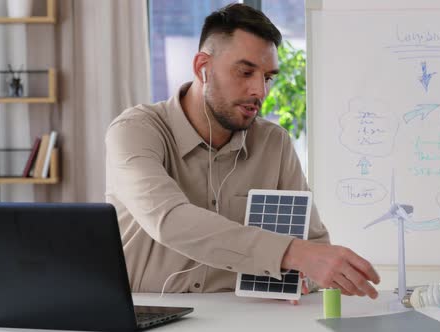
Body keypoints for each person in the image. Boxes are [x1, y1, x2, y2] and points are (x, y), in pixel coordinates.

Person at [105, 3, 380, 299]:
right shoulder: (135, 130)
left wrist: (307, 277)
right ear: (203, 68)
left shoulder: (275, 144)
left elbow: (315, 250)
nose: (260, 91)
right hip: (145, 312)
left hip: (242, 317)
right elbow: (169, 220)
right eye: (246, 72)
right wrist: (292, 253)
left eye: (267, 77)